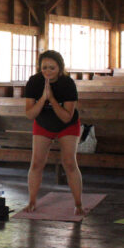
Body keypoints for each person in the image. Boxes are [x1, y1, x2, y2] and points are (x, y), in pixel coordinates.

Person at [23, 50, 83, 215]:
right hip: (43, 123)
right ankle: (32, 201)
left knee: (69, 162)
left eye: (52, 68)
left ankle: (78, 204)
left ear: (60, 68)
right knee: (36, 163)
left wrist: (52, 99)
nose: (48, 71)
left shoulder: (67, 84)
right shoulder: (34, 82)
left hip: (67, 125)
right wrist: (43, 98)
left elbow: (66, 117)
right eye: (44, 68)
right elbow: (30, 114)